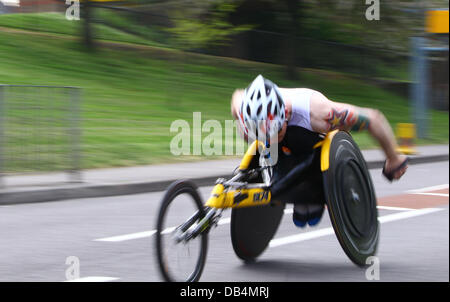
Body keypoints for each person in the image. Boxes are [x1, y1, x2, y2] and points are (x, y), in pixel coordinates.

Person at [231, 74, 408, 227]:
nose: (269, 139)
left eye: (274, 131)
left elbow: (373, 119)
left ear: (285, 112)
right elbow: (237, 95)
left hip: (311, 140)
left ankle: (312, 190)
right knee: (298, 205)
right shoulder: (242, 107)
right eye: (260, 134)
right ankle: (295, 189)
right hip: (284, 149)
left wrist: (393, 158)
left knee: (307, 207)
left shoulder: (322, 114)